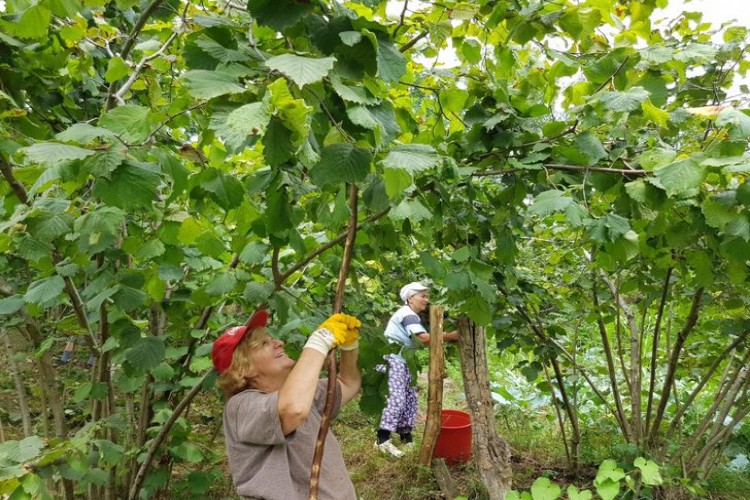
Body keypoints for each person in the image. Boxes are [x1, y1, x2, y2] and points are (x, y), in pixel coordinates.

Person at [212, 309, 362, 499]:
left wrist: (350, 346)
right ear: (243, 367)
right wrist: (319, 341)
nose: (278, 343)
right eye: (264, 343)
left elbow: (349, 383)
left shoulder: (302, 394)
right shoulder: (240, 407)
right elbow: (292, 410)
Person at [375, 282, 458, 457]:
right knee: (396, 398)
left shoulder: (411, 315)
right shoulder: (407, 314)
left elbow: (419, 342)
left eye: (427, 296)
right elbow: (424, 338)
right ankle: (382, 440)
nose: (426, 300)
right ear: (410, 297)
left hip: (404, 361)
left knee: (410, 399)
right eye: (422, 296)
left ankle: (406, 437)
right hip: (393, 360)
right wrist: (451, 336)